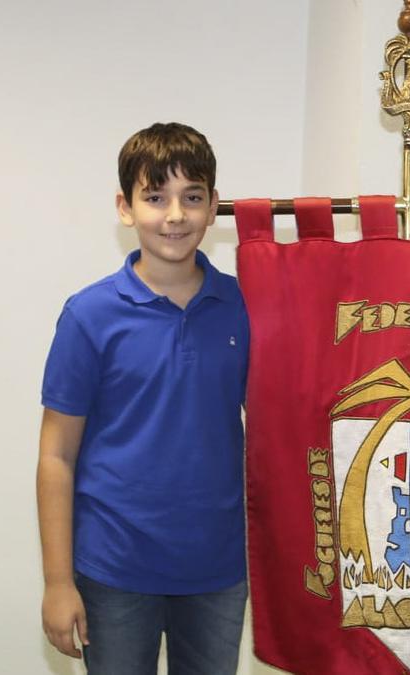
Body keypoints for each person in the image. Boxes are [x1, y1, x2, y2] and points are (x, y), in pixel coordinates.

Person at [37, 122, 250, 674]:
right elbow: (56, 455)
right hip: (114, 569)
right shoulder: (89, 315)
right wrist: (59, 583)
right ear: (126, 208)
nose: (175, 215)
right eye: (155, 197)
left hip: (217, 569)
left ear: (213, 206)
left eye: (192, 197)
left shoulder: (244, 307)